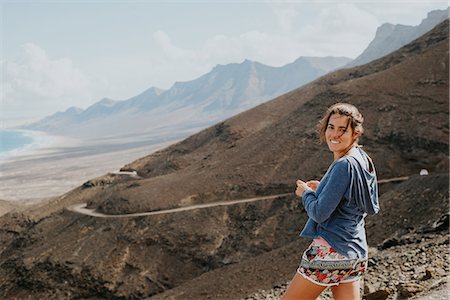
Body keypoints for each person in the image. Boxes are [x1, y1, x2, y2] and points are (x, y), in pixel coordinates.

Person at [282, 103, 379, 300]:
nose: (334, 135)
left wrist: (307, 193)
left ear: (355, 132)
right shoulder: (363, 158)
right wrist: (324, 187)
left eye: (342, 129)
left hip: (330, 253)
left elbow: (319, 213)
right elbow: (362, 201)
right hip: (355, 254)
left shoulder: (343, 165)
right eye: (331, 127)